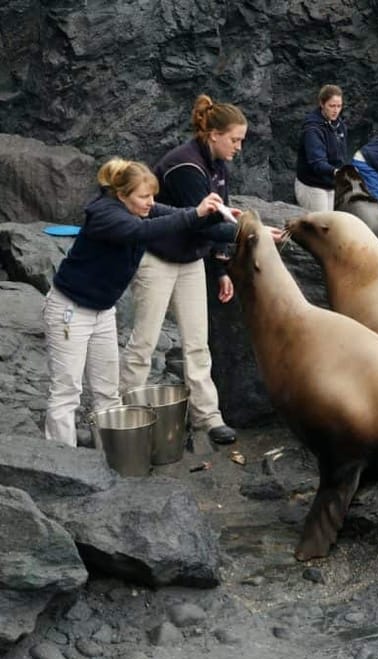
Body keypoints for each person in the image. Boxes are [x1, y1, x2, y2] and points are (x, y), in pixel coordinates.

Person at [44, 158, 233, 447]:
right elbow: (144, 232)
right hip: (71, 310)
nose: (150, 203)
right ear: (122, 195)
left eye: (152, 196)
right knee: (67, 389)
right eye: (144, 197)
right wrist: (195, 213)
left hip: (103, 309)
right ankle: (61, 456)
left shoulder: (138, 207)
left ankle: (110, 450)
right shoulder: (105, 215)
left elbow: (178, 216)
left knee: (107, 390)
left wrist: (225, 219)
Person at [119, 94, 247, 445]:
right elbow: (201, 223)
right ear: (214, 135)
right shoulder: (186, 166)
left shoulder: (219, 165)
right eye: (235, 139)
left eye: (241, 141)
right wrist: (250, 234)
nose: (238, 147)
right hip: (159, 257)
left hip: (190, 260)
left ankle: (209, 415)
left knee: (196, 343)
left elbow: (222, 213)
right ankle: (126, 408)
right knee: (144, 340)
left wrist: (221, 267)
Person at [294, 84, 348, 211]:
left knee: (329, 226)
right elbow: (317, 162)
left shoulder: (340, 125)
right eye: (332, 106)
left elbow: (341, 156)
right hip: (312, 186)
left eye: (339, 106)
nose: (336, 110)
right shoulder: (312, 128)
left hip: (330, 184)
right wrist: (337, 172)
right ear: (322, 104)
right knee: (320, 228)